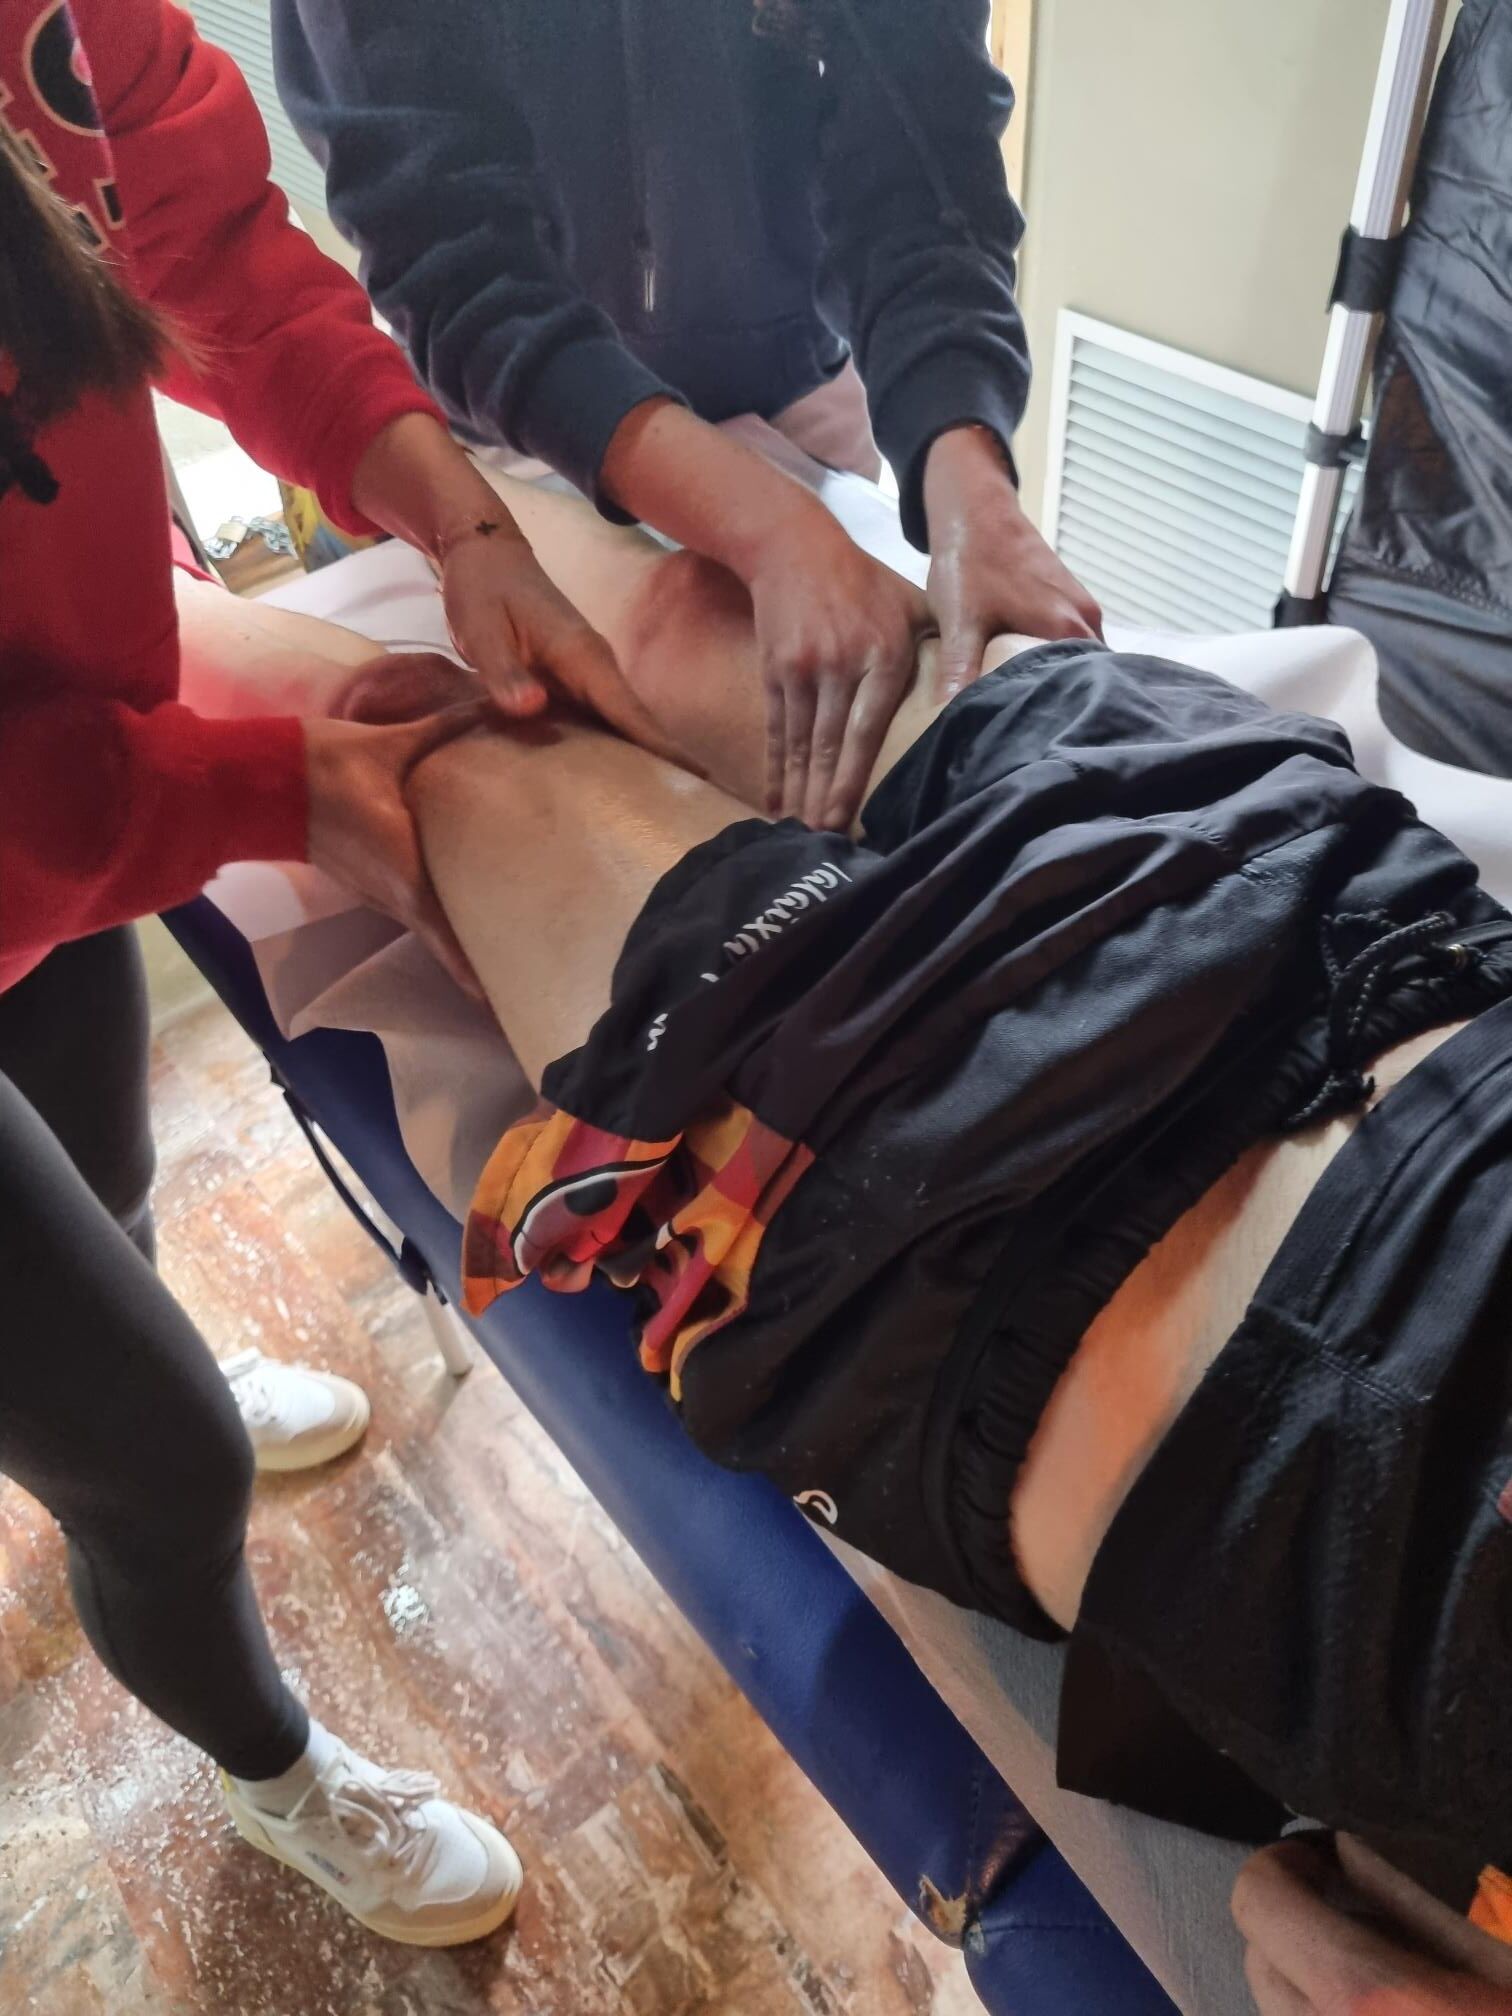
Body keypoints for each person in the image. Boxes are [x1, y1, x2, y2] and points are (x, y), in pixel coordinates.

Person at [180, 463, 1512, 2005]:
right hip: (1354, 942)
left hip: (997, 1232)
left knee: (430, 750)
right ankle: (272, 493)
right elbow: (1316, 1942)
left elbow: (1318, 1951)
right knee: (646, 634)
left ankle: (92, 581)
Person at [0, 0, 674, 1941]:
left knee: (107, 1184)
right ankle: (275, 1773)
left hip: (40, 811)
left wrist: (455, 512)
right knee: (163, 1465)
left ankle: (87, 1362)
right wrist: (277, 785)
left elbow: (213, 249)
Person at [274, 0, 1103, 830]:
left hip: (791, 382)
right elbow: (449, 247)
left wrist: (971, 488)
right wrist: (767, 528)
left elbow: (925, 174)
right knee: (643, 672)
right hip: (509, 419)